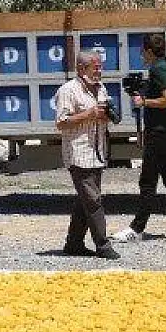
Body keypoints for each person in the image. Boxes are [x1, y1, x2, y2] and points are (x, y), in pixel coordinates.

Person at [112, 35, 166, 243]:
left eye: (142, 51)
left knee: (148, 181)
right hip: (164, 132)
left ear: (149, 51)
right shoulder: (164, 66)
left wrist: (144, 101)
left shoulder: (159, 69)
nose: (141, 54)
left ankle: (136, 229)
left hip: (161, 134)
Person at [54, 50, 120, 260]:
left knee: (85, 201)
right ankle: (103, 245)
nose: (99, 70)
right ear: (82, 69)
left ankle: (73, 244)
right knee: (93, 201)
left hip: (97, 152)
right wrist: (88, 114)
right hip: (79, 153)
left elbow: (103, 115)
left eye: (100, 66)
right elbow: (61, 122)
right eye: (95, 66)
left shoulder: (101, 88)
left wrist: (107, 115)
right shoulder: (68, 90)